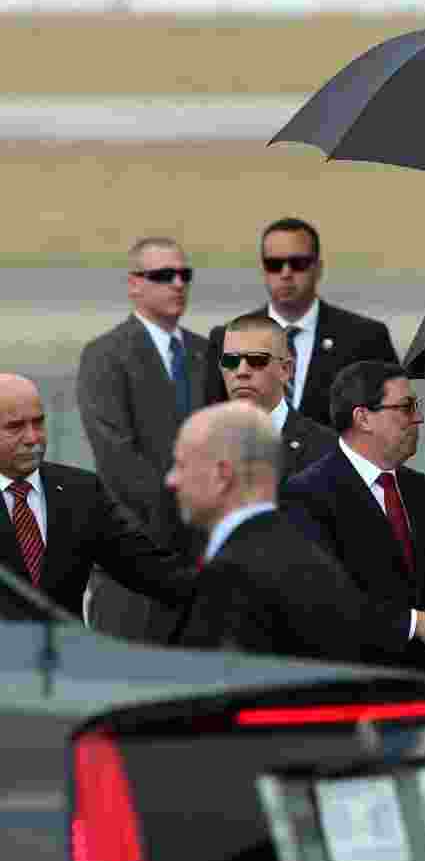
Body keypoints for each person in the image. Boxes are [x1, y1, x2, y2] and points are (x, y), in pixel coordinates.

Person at [169, 402, 425, 663]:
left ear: (223, 475)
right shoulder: (292, 548)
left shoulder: (235, 571)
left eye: (181, 465)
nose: (172, 480)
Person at [283, 361, 425, 681]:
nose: (419, 418)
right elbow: (320, 605)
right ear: (363, 418)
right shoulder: (307, 494)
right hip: (359, 688)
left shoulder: (424, 491)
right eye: (406, 408)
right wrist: (413, 624)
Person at [76, 236, 207, 641]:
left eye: (184, 274)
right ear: (135, 284)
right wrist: (187, 510)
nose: (178, 284)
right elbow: (116, 456)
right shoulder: (105, 356)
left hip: (203, 564)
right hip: (136, 561)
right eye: (163, 275)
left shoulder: (207, 353)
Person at [0, 373, 194, 622]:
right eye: (15, 427)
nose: (32, 438)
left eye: (38, 423)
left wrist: (231, 589)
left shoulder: (81, 491)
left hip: (66, 646)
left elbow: (152, 570)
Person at [204, 217, 398, 425]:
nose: (286, 273)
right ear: (263, 270)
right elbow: (212, 422)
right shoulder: (227, 338)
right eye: (274, 265)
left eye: (298, 264)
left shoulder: (365, 338)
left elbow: (393, 416)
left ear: (318, 268)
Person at [217, 312, 336, 483]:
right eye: (231, 361)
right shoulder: (198, 444)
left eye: (257, 360)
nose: (242, 372)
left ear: (285, 370)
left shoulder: (328, 449)